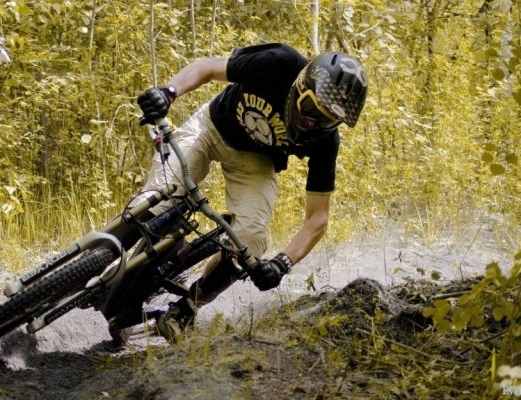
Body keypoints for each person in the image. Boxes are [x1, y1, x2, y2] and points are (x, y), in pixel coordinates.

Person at [136, 43, 368, 343]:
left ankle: (186, 309)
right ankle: (114, 257)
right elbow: (208, 68)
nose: (313, 123)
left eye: (327, 120)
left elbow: (318, 219)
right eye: (311, 109)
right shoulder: (279, 63)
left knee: (252, 240)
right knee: (159, 198)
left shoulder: (326, 142)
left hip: (256, 161)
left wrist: (282, 264)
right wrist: (169, 92)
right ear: (301, 86)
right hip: (212, 126)